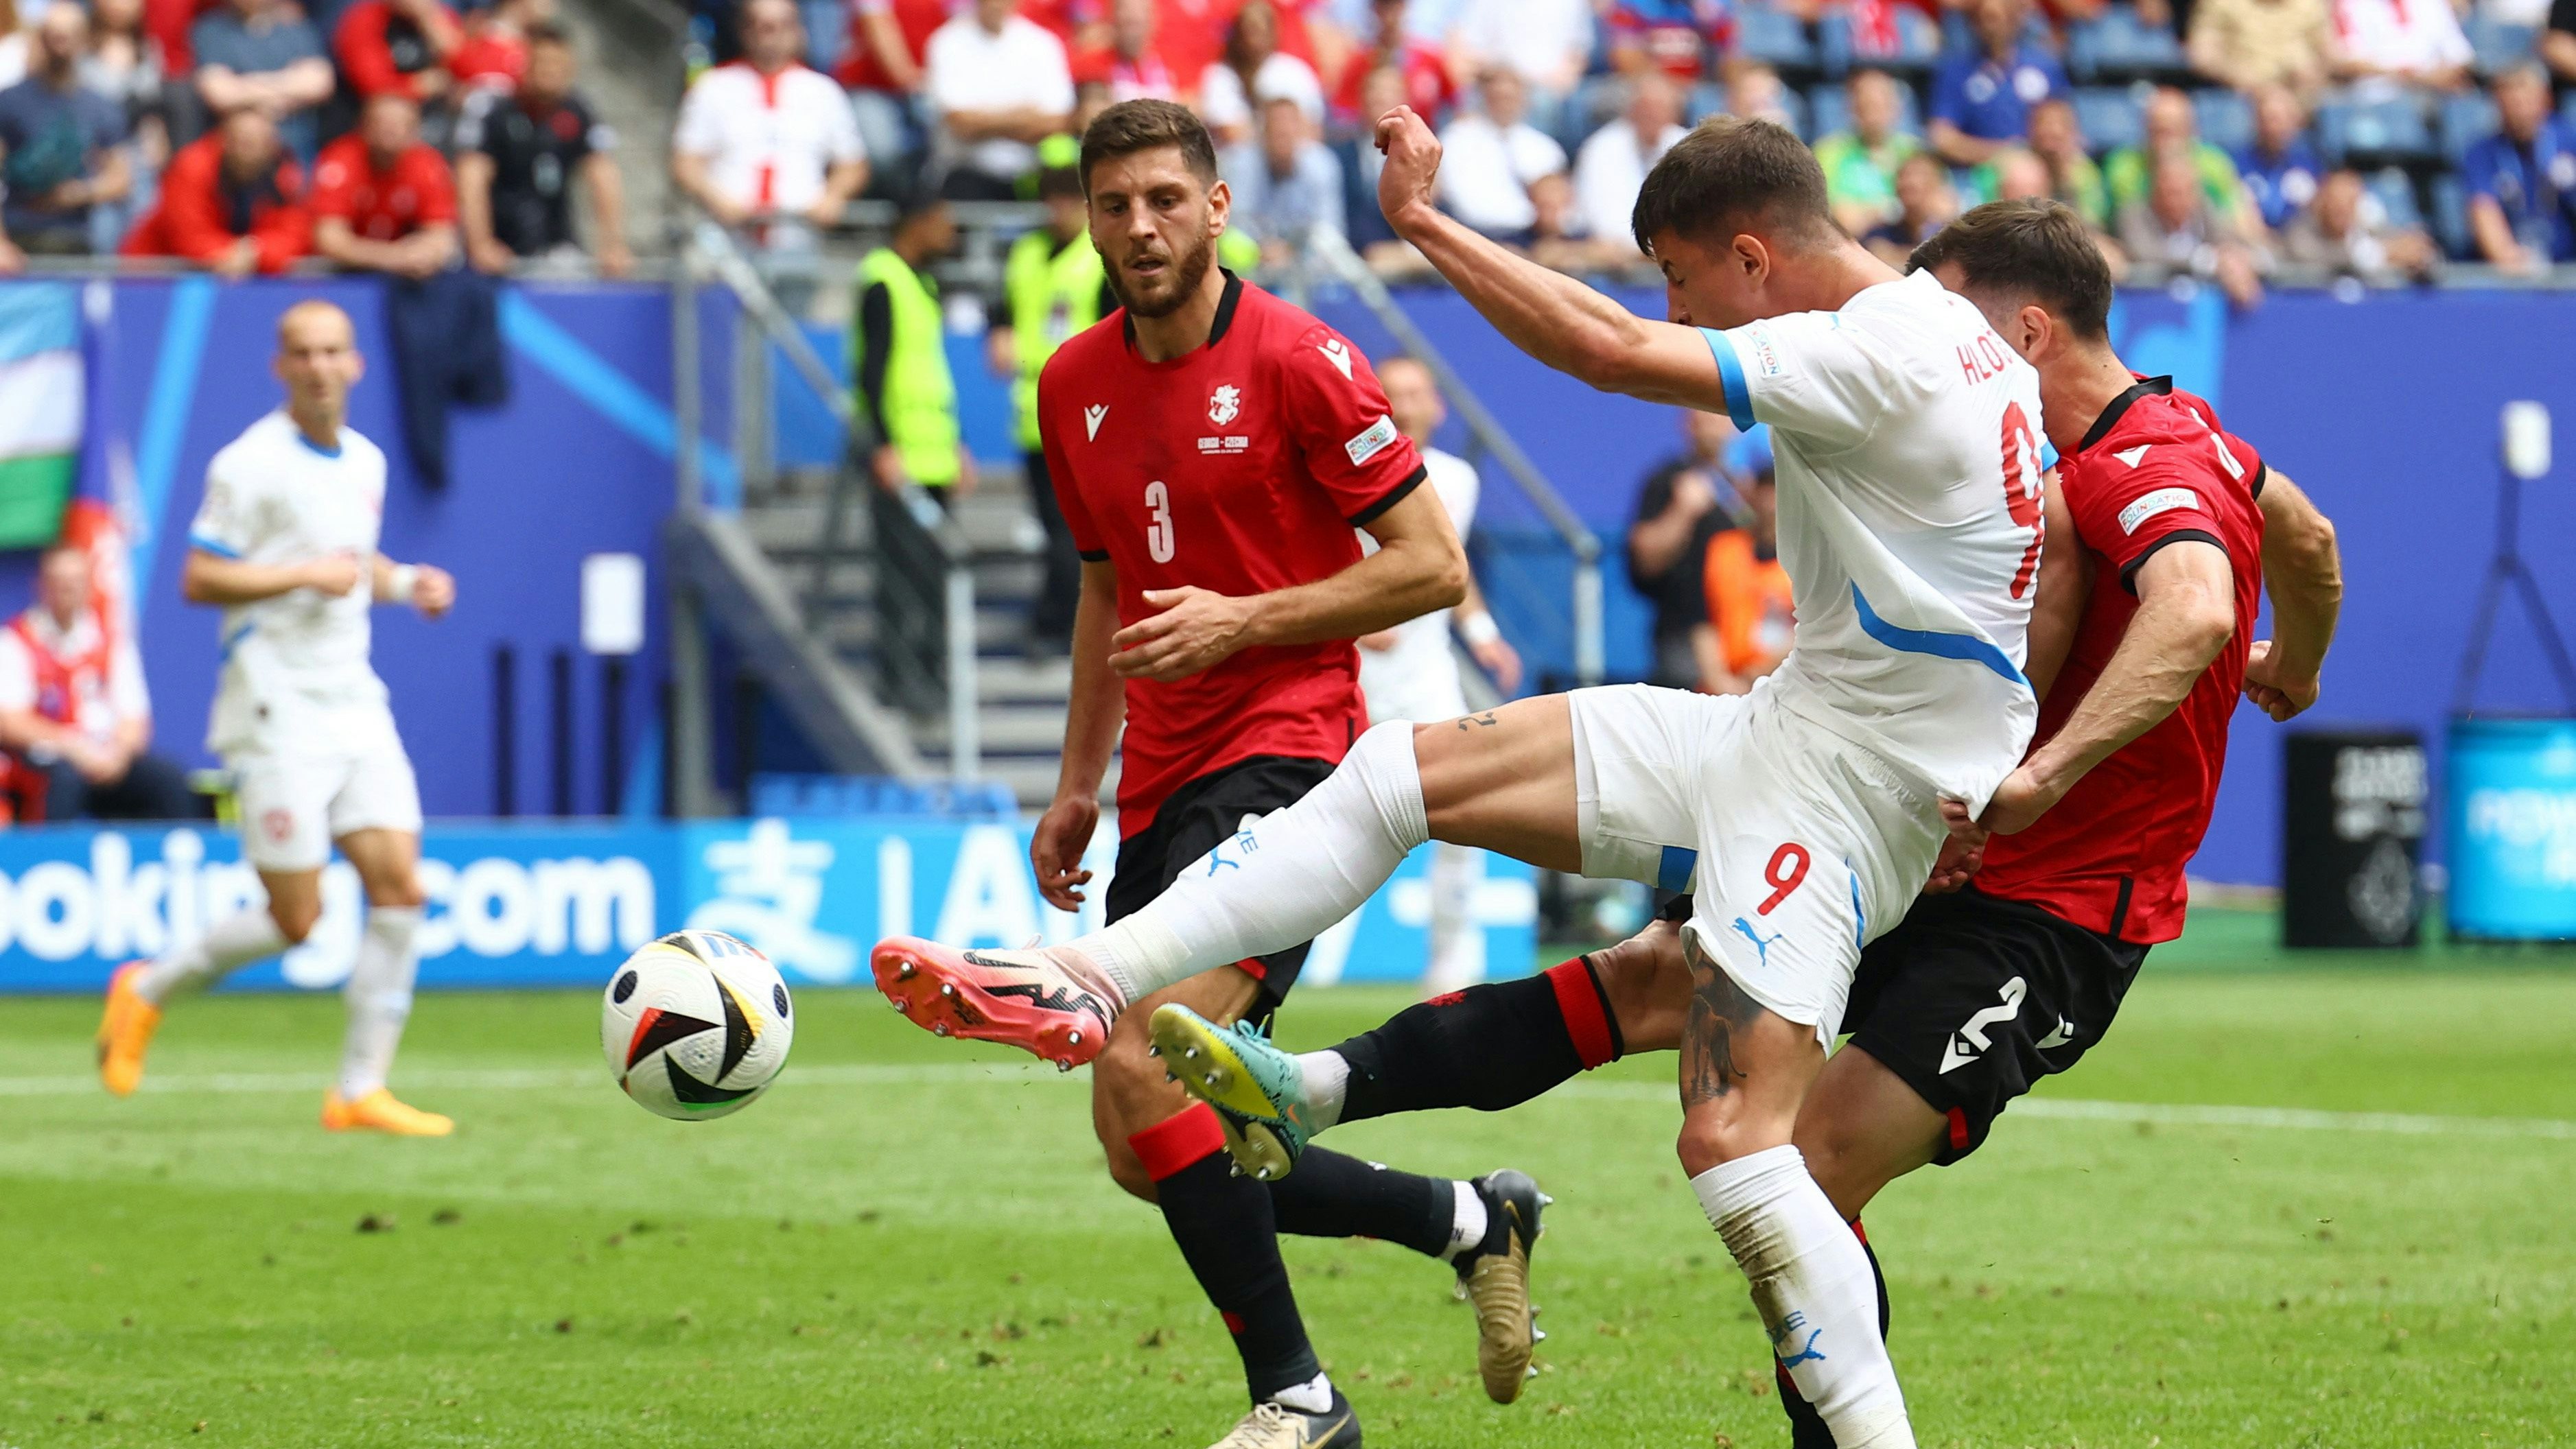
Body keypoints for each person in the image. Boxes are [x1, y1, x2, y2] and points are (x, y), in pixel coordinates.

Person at [875, 113, 2058, 1449]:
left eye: (1676, 278)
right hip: (1790, 733)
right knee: (1410, 770)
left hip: (1843, 795)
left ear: (1747, 256)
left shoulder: (1873, 352)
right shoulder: (1957, 334)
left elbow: (1607, 353)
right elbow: (2050, 548)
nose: (1671, 309)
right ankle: (1087, 980)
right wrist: (1997, 744)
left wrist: (1424, 228)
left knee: (1733, 1147)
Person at [1139, 198, 2343, 1449]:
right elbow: (2301, 537)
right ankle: (1322, 1090)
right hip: (1909, 841)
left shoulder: (2126, 463)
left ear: (2025, 332)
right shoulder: (2180, 441)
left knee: (1803, 1166)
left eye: (1954, 321)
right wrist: (2296, 667)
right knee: (1654, 975)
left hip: (2045, 913)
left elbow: (2195, 608)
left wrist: (2044, 773)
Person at [880, 99, 1545, 1449]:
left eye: (1164, 201)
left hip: (1293, 762)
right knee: (1147, 1149)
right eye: (1114, 203)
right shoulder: (1071, 385)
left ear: (1216, 207)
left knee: (1137, 1066)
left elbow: (1431, 567)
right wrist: (1077, 780)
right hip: (1157, 787)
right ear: (1086, 217)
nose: (1139, 227)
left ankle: (1298, 1400)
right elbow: (1104, 588)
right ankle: (1464, 1217)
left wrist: (1240, 620)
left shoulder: (1303, 361)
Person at [95, 301, 460, 1137]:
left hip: (352, 698)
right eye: (303, 353)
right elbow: (198, 577)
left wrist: (406, 586)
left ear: (356, 364)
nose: (320, 366)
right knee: (298, 921)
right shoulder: (248, 464)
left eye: (334, 351)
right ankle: (145, 990)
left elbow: (352, 560)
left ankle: (359, 1090)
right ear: (280, 367)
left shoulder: (365, 460)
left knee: (401, 887)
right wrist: (301, 575)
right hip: (275, 706)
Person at [1357, 354, 1521, 993]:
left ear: (1436, 406)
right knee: (1296, 812)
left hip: (1426, 679)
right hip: (1347, 675)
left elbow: (1448, 567)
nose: (1402, 406)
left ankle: (1451, 963)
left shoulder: (1457, 479)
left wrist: (1482, 634)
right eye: (1390, 394)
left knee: (1467, 813)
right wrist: (1358, 618)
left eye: (1414, 394)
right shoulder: (1341, 472)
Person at [992, 148, 1109, 652]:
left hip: (1088, 416)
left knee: (1072, 530)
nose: (1054, 210)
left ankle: (1059, 624)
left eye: (1064, 200)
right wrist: (997, 330)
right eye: (1049, 199)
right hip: (1033, 415)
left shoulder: (1098, 256)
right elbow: (1003, 306)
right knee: (1050, 524)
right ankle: (1061, 621)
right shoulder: (1025, 253)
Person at [0, 544, 195, 821]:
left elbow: (135, 720)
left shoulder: (112, 641)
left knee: (168, 780)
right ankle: (56, 859)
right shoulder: (14, 641)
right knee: (63, 779)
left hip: (107, 757)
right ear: (41, 586)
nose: (68, 591)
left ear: (90, 586)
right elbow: (10, 723)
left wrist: (117, 755)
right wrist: (73, 747)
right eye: (59, 582)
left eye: (76, 582)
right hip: (47, 760)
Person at [671, 0, 867, 253]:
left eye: (782, 26)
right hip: (727, 242)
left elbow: (853, 164)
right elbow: (686, 161)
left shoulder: (823, 91)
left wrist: (833, 196)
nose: (771, 38)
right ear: (744, 31)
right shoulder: (713, 86)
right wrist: (716, 198)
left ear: (798, 30)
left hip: (798, 236)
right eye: (763, 27)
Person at [454, 23, 627, 276]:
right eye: (543, 62)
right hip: (502, 246)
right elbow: (472, 177)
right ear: (525, 64)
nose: (551, 71)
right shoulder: (494, 111)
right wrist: (481, 243)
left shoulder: (578, 111)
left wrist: (613, 244)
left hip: (556, 244)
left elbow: (603, 174)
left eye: (559, 64)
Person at [854, 192, 971, 500]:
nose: (950, 230)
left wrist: (957, 444)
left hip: (935, 455)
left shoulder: (925, 283)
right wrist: (882, 445)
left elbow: (933, 372)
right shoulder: (883, 280)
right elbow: (871, 368)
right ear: (916, 224)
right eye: (941, 221)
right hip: (899, 457)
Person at [0, 5, 130, 263]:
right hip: (19, 236)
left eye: (68, 36)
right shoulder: (10, 102)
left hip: (76, 239)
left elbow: (122, 179)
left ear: (84, 40)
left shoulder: (100, 107)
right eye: (52, 36)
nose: (59, 46)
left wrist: (80, 193)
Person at [119, 105, 310, 277]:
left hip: (246, 273)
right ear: (224, 140)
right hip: (160, 274)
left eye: (257, 144)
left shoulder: (285, 172)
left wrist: (257, 252)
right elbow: (188, 235)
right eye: (241, 142)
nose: (247, 153)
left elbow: (295, 233)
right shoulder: (192, 166)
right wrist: (237, 254)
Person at [1626, 407, 1735, 689]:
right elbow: (1645, 560)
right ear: (1688, 424)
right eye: (1704, 417)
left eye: (1719, 417)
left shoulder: (1746, 487)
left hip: (1740, 635)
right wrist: (1683, 510)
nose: (1712, 425)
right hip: (1683, 638)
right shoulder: (1667, 481)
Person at [309, 92, 456, 279]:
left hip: (408, 271)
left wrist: (425, 253)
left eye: (400, 125)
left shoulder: (428, 164)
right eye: (382, 123)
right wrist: (395, 257)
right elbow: (329, 240)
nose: (390, 131)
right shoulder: (339, 162)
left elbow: (443, 236)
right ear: (364, 127)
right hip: (344, 270)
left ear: (416, 131)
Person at [1698, 425, 1791, 694]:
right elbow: (1700, 619)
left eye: (1778, 487)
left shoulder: (1817, 555)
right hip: (1722, 690)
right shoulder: (1722, 548)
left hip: (1789, 687)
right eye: (1765, 487)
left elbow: (1819, 628)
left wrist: (1759, 672)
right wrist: (1721, 682)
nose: (1771, 500)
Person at [2461, 63, 2576, 274]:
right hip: (2515, 273)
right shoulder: (2482, 153)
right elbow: (2484, 211)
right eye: (2511, 102)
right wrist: (2508, 256)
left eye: (2527, 100)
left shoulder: (2570, 142)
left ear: (2546, 100)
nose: (2520, 110)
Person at [2119, 149, 2268, 305]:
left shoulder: (2204, 210)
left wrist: (2235, 258)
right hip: (2148, 303)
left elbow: (2226, 239)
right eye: (2169, 191)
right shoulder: (2134, 214)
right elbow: (2145, 254)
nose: (2175, 200)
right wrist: (2204, 260)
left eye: (2183, 192)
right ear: (2155, 189)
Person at [1434, 65, 1565, 242]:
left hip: (1539, 238)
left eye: (1512, 97)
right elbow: (1467, 206)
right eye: (1498, 97)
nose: (1505, 104)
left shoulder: (1544, 146)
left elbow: (1561, 207)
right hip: (1483, 235)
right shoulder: (1457, 140)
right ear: (1483, 97)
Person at [1928, 0, 2067, 166]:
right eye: (1983, 18)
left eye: (1996, 17)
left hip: (2039, 169)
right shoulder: (1956, 72)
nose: (1991, 26)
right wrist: (2003, 155)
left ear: (2017, 17)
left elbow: (2063, 125)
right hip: (1979, 173)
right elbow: (1942, 138)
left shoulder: (2044, 66)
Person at [188, 0, 331, 160]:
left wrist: (246, 87)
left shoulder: (295, 26)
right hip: (237, 154)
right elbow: (219, 94)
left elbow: (319, 83)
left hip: (299, 145)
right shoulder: (211, 30)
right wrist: (288, 88)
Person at [2103, 86, 2253, 233]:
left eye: (2174, 131)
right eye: (2158, 131)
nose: (2166, 142)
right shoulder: (2124, 167)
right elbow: (2124, 224)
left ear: (2192, 130)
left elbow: (2237, 220)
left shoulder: (2214, 164)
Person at [1221, 89, 1344, 258]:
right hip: (1254, 264)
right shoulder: (1241, 164)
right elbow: (1233, 223)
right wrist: (1261, 250)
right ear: (1263, 132)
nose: (1283, 131)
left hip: (1307, 266)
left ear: (1301, 131)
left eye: (1289, 127)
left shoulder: (1321, 164)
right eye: (1276, 126)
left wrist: (1292, 251)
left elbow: (1330, 230)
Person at [1571, 71, 1685, 252]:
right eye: (1646, 107)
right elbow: (1600, 215)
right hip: (1617, 253)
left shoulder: (1686, 146)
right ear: (1631, 110)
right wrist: (1642, 250)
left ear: (1675, 113)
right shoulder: (1601, 148)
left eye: (1661, 108)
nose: (1652, 115)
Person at [2278, 164, 2438, 280]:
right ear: (2322, 203)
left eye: (2349, 204)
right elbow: (2315, 256)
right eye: (2336, 204)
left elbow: (2413, 246)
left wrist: (2417, 253)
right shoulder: (2300, 231)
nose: (2341, 212)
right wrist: (2381, 254)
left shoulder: (2367, 228)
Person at [1813, 68, 1921, 237]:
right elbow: (1837, 220)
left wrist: (1868, 212)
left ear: (1897, 108)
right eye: (1867, 105)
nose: (1874, 115)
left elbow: (1941, 210)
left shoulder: (1914, 151)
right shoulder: (1830, 151)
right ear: (1852, 108)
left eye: (1882, 105)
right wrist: (1892, 211)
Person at [1199, 0, 1323, 146]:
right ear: (1238, 35)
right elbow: (1231, 133)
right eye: (1250, 31)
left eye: (1262, 31)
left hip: (1292, 157)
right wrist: (1277, 131)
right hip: (1241, 157)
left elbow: (1314, 130)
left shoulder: (1294, 71)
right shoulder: (1221, 75)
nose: (1255, 40)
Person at [2186, 0, 2332, 99]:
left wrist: (2314, 73)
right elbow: (2202, 57)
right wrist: (2237, 77)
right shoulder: (2219, 3)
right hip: (2240, 96)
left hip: (2300, 97)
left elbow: (2329, 56)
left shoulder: (2310, 4)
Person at [331, 0, 462, 104]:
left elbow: (465, 68)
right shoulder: (364, 18)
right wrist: (415, 87)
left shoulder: (440, 16)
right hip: (375, 110)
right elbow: (371, 83)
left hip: (435, 109)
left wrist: (427, 20)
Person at [2329, 0, 2473, 92]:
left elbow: (2460, 56)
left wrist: (2441, 76)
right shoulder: (2349, 4)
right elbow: (2350, 64)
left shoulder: (2433, 3)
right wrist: (2414, 76)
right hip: (2380, 98)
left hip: (2434, 95)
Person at [2235, 83, 2322, 231]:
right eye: (2267, 119)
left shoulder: (2311, 165)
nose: (2274, 128)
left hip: (2300, 246)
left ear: (2295, 122)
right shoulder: (2238, 164)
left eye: (2281, 120)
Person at [1862, 149, 1958, 264]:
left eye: (1921, 175)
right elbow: (1879, 254)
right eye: (1903, 175)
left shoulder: (1954, 236)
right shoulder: (1880, 234)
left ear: (1938, 185)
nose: (1909, 182)